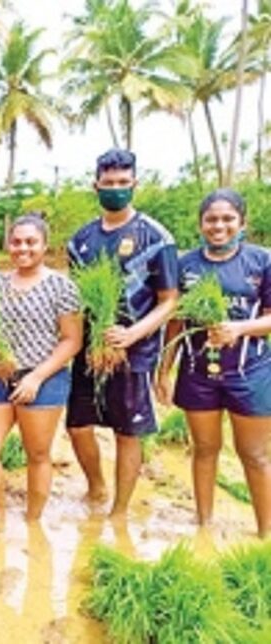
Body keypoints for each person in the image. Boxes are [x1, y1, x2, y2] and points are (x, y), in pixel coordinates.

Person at [66, 148, 178, 517]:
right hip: (91, 348)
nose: (115, 188)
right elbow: (76, 297)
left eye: (122, 183)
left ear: (134, 185)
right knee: (79, 426)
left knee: (128, 431)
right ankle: (96, 486)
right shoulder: (80, 240)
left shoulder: (156, 237)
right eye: (108, 183)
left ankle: (120, 510)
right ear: (95, 185)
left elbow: (169, 301)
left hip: (135, 350)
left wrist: (133, 335)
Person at [156, 189, 271, 538]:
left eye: (227, 219)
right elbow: (174, 323)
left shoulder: (261, 262)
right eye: (211, 219)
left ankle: (265, 532)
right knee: (204, 449)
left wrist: (240, 328)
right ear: (201, 224)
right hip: (197, 373)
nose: (218, 226)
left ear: (242, 223)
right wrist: (164, 371)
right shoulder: (185, 265)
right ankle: (203, 525)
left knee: (254, 454)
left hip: (249, 373)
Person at [0, 215, 83, 520]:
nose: (23, 248)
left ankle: (33, 520)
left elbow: (71, 340)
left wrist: (35, 376)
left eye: (31, 242)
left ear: (44, 245)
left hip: (44, 378)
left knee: (37, 454)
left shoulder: (61, 287)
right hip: (0, 376)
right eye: (17, 242)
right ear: (9, 245)